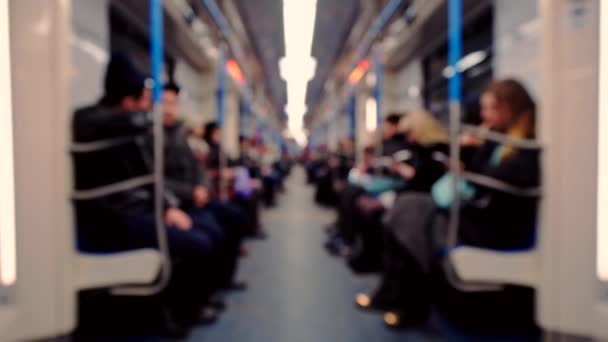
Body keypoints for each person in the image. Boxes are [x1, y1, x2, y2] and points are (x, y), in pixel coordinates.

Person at [355, 79, 540, 329]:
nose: (483, 115)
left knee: (411, 213)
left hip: (494, 226)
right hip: (477, 213)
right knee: (407, 210)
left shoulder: (524, 146)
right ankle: (398, 296)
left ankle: (404, 301)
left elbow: (500, 179)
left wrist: (468, 159)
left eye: (489, 109)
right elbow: (481, 175)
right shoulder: (498, 141)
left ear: (508, 109)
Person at [72, 52, 223, 332]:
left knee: (206, 232)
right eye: (146, 100)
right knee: (199, 242)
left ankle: (178, 308)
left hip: (134, 211)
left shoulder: (122, 128)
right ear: (128, 101)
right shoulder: (91, 122)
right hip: (110, 222)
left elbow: (145, 175)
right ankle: (178, 316)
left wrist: (166, 209)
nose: (151, 108)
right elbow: (134, 135)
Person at [161, 82, 248, 291]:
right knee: (211, 230)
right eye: (164, 102)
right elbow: (157, 179)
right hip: (179, 201)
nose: (169, 108)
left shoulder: (179, 136)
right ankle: (207, 291)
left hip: (194, 197)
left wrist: (202, 188)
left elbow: (197, 169)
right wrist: (192, 192)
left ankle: (225, 279)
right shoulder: (153, 136)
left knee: (236, 215)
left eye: (173, 103)